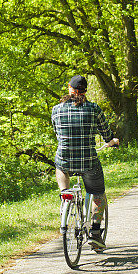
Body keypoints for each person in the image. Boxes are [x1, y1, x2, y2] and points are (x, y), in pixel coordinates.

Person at [51, 75, 119, 250]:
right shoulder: (94, 109)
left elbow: (57, 133)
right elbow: (106, 134)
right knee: (98, 193)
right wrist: (112, 141)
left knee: (60, 166)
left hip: (65, 159)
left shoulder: (56, 110)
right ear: (85, 91)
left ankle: (65, 195)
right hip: (88, 161)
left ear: (70, 89)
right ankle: (96, 233)